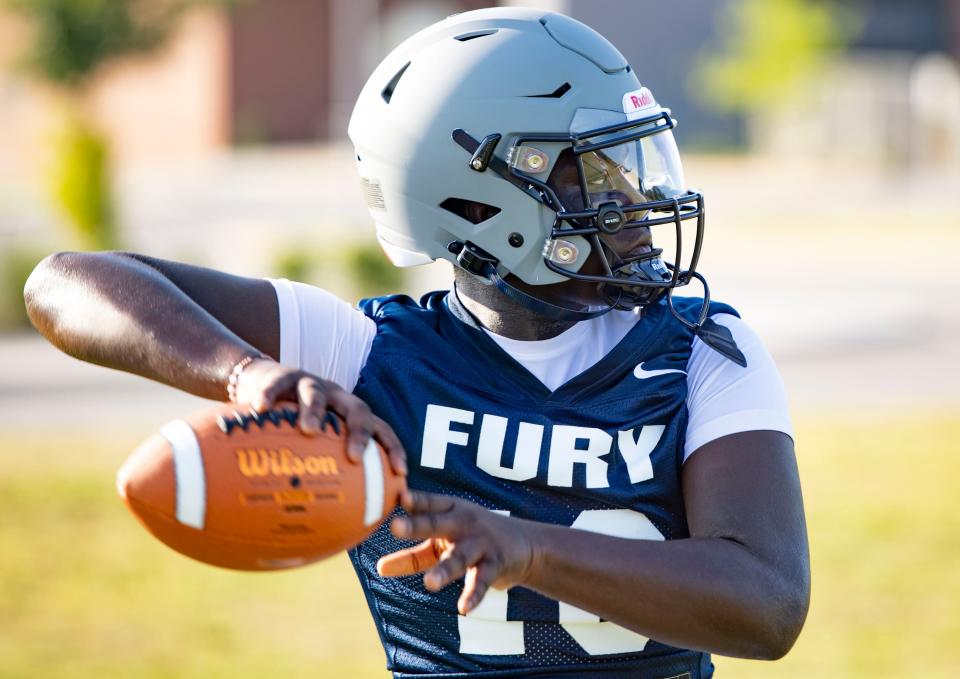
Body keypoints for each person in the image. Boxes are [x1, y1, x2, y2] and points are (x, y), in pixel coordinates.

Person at [24, 8, 809, 678]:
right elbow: (63, 283)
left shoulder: (699, 348)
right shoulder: (365, 351)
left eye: (633, 163)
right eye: (595, 172)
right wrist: (247, 374)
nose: (636, 203)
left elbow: (767, 601)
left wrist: (529, 548)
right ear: (478, 205)